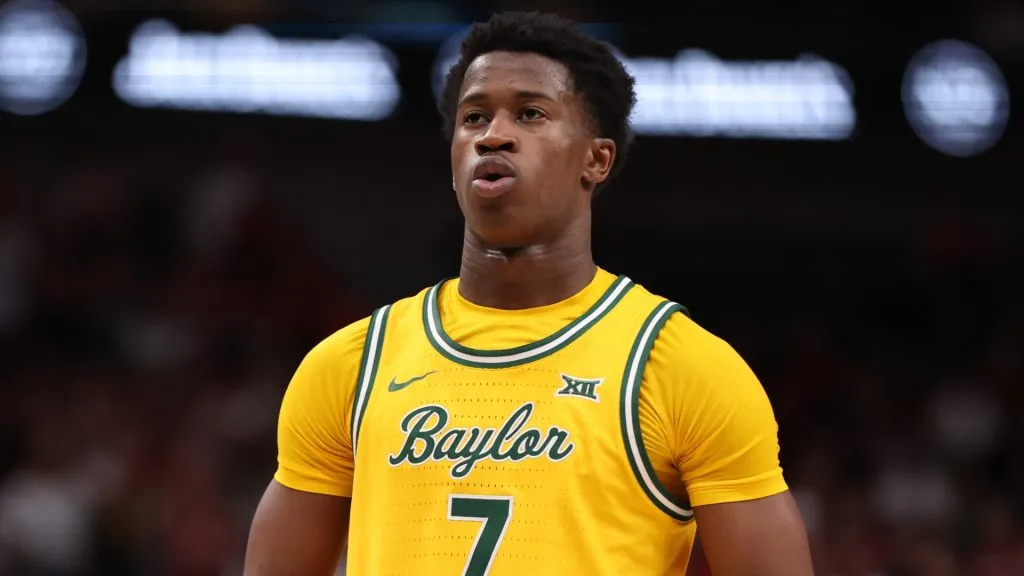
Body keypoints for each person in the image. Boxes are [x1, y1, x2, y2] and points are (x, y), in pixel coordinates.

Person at [245, 11, 814, 576]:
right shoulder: (349, 366)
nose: (493, 134)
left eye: (530, 113)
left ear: (597, 158)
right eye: (474, 117)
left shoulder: (684, 368)